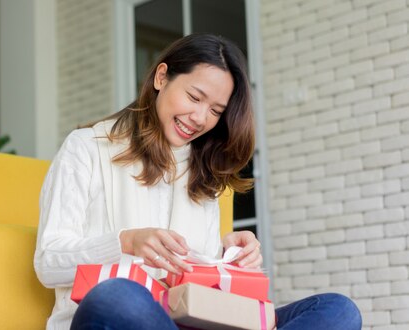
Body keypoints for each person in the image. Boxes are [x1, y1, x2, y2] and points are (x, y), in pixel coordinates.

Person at [34, 33, 361, 330]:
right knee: (119, 296)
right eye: (194, 97)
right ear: (162, 77)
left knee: (338, 310)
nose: (201, 118)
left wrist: (227, 258)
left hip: (189, 323)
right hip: (115, 316)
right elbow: (48, 263)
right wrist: (125, 242)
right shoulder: (86, 147)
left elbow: (198, 287)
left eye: (216, 110)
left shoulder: (203, 172)